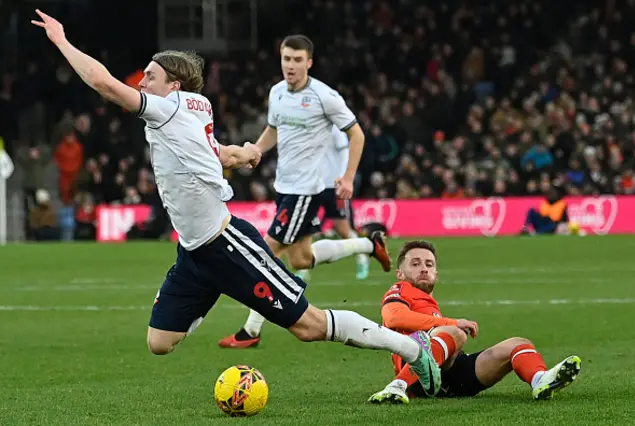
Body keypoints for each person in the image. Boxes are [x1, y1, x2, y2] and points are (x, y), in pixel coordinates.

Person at [31, 9, 441, 397]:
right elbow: (214, 152)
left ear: (173, 86)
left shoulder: (166, 110)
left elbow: (103, 83)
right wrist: (242, 154)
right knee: (159, 342)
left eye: (150, 77)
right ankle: (222, 289)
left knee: (309, 326)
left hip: (228, 244)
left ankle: (413, 351)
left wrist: (61, 40)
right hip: (194, 254)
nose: (141, 83)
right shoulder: (195, 107)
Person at [218, 35, 388, 349]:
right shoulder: (277, 93)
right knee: (301, 259)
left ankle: (251, 330)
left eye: (298, 60)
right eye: (286, 59)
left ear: (309, 62)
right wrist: (255, 150)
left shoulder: (325, 96)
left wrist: (348, 177)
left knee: (264, 253)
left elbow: (357, 134)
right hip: (284, 186)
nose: (291, 66)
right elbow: (274, 129)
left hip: (305, 191)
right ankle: (367, 243)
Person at [367, 240, 582, 404]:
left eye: (429, 264)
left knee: (518, 343)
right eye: (415, 263)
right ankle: (398, 386)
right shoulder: (400, 289)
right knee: (456, 333)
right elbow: (393, 317)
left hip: (451, 374)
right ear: (400, 274)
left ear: (436, 274)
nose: (423, 268)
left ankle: (540, 381)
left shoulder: (426, 300)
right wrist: (452, 323)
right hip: (416, 371)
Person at [295, 125, 370, 282]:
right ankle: (303, 267)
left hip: (333, 186)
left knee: (342, 229)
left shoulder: (335, 129)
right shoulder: (307, 128)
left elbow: (345, 153)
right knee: (304, 228)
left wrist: (343, 177)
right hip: (313, 186)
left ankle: (363, 256)